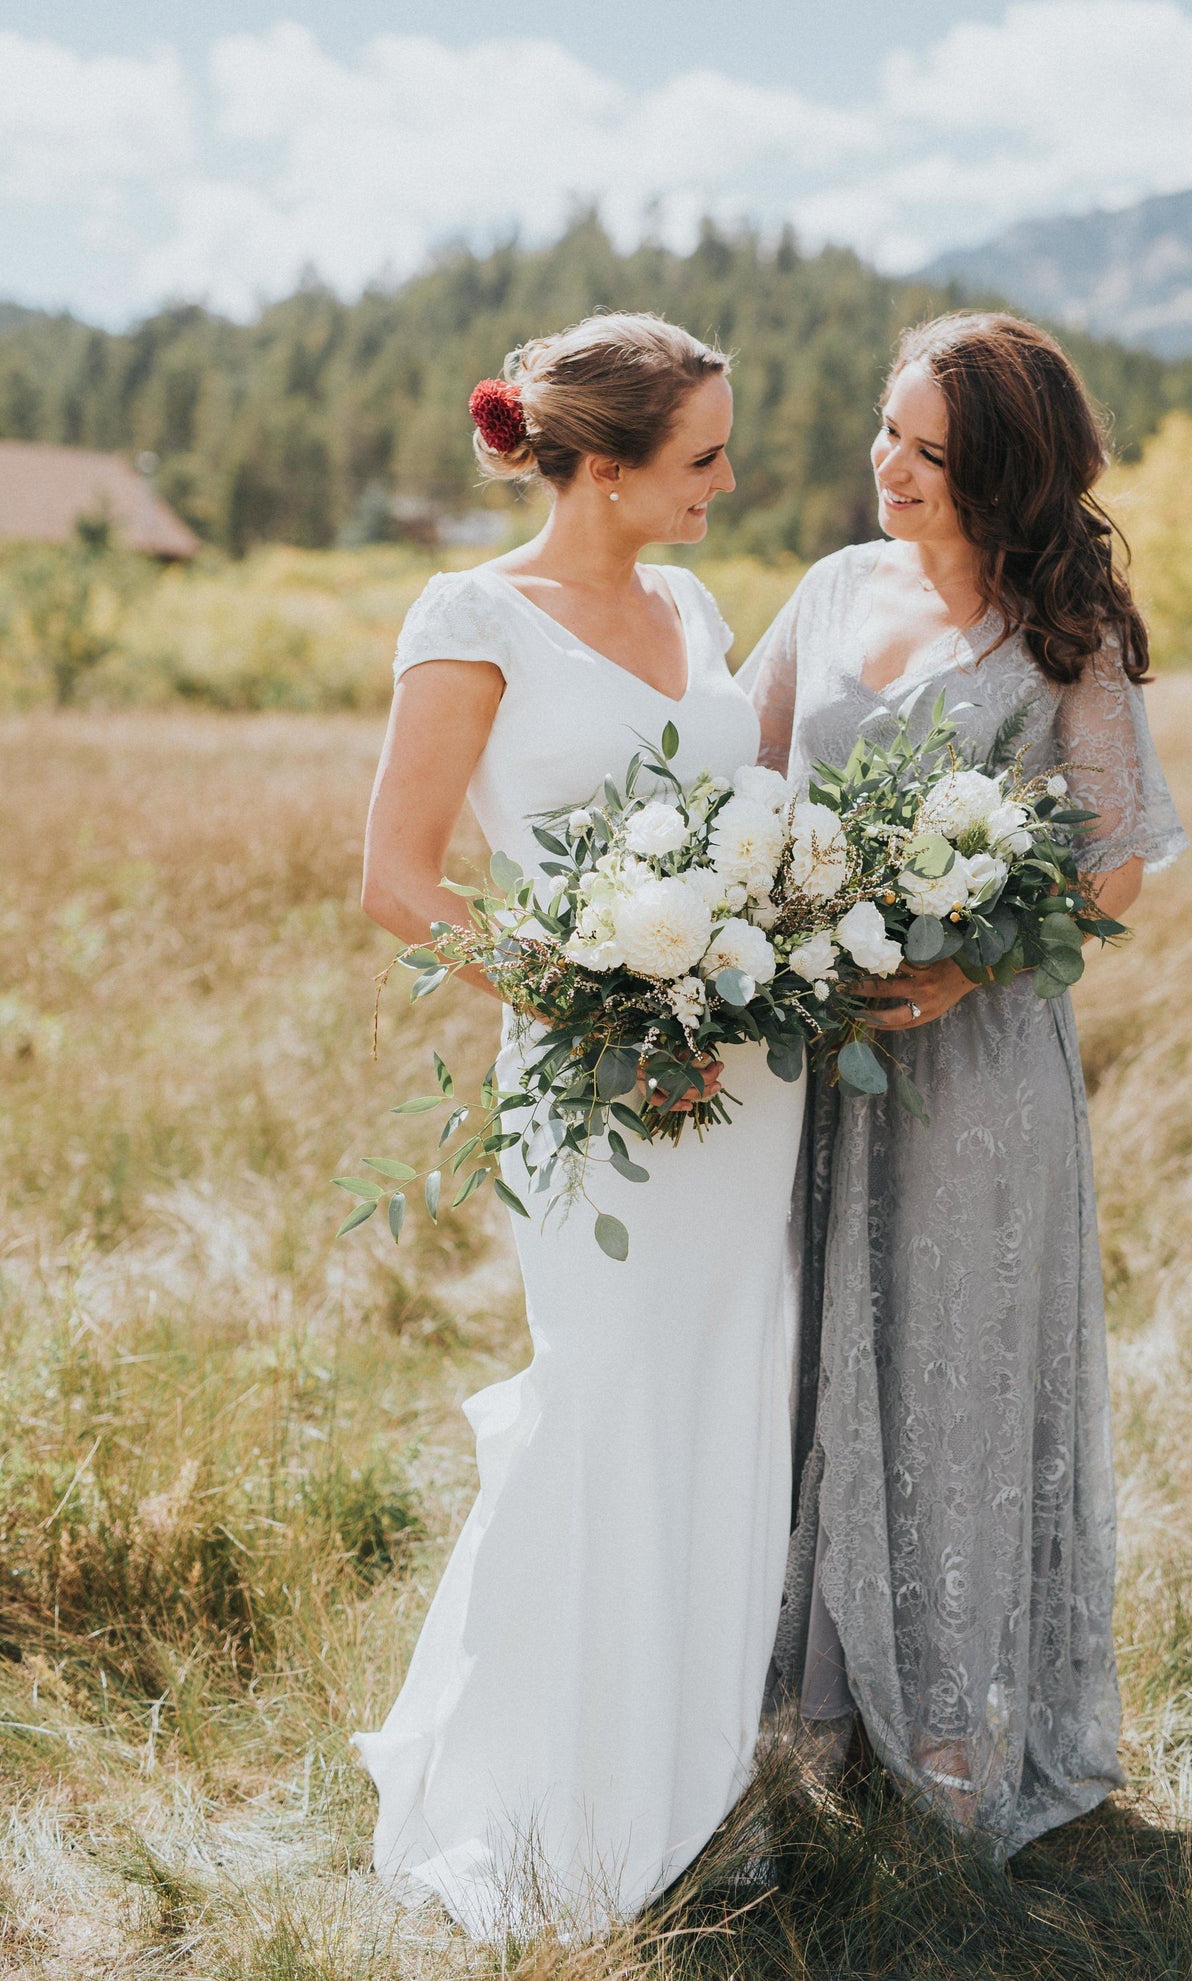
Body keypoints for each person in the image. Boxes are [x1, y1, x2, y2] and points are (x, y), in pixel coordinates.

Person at [355, 314, 805, 1938]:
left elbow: (744, 812)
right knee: (609, 1392)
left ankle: (697, 1775)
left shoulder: (690, 602)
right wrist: (597, 1011)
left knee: (725, 1394)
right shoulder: (472, 616)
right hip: (588, 1086)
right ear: (601, 470)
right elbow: (400, 883)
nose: (725, 483)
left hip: (747, 1078)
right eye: (698, 458)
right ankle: (553, 1799)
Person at [743, 311, 1187, 1858]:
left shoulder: (1057, 627)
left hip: (977, 1061)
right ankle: (815, 1702)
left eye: (931, 452)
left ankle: (953, 1716)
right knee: (808, 1351)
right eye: (885, 431)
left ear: (1001, 475)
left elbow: (1116, 860)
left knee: (955, 1375)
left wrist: (962, 970)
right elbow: (735, 778)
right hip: (819, 1057)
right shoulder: (824, 591)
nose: (890, 468)